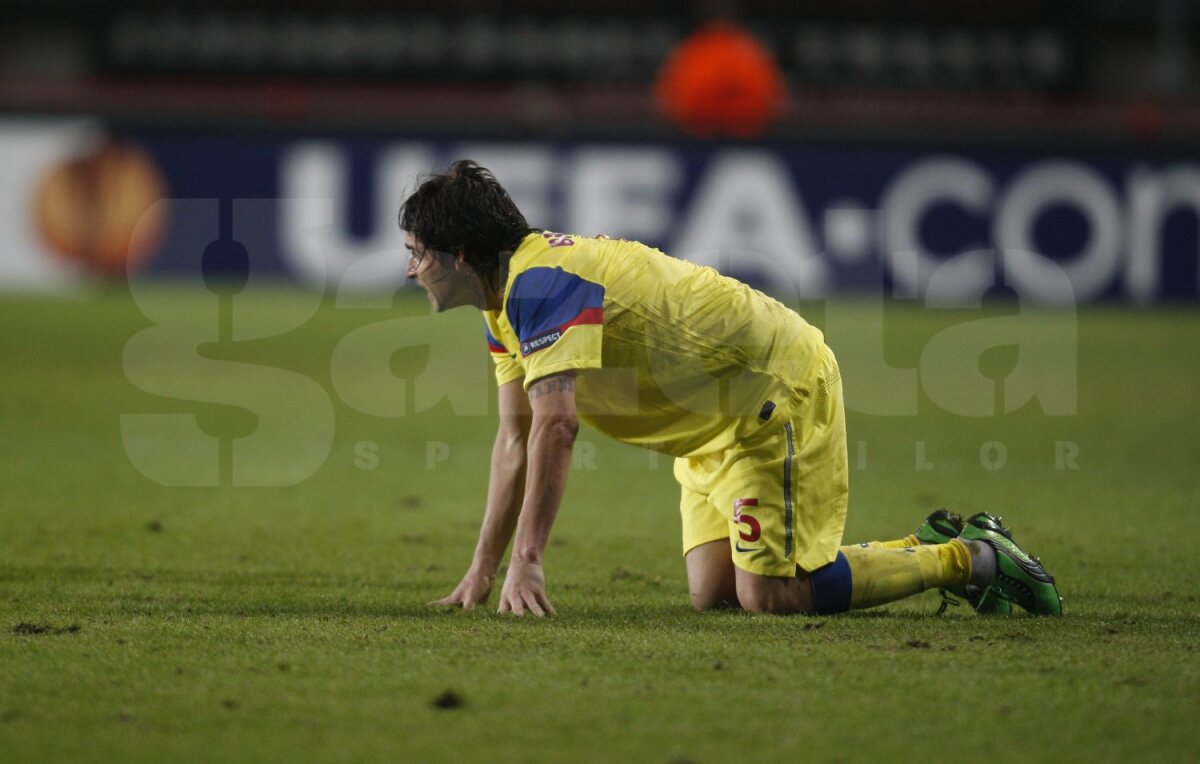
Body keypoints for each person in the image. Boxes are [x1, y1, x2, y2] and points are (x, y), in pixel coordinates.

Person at [400, 159, 1063, 618]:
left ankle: (971, 559)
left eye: (417, 252)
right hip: (711, 420)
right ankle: (932, 541)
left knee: (771, 597)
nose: (410, 270)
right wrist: (485, 571)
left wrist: (529, 561)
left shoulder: (542, 284)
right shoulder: (507, 304)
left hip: (770, 393)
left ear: (458, 255)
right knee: (714, 593)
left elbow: (556, 428)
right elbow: (514, 439)